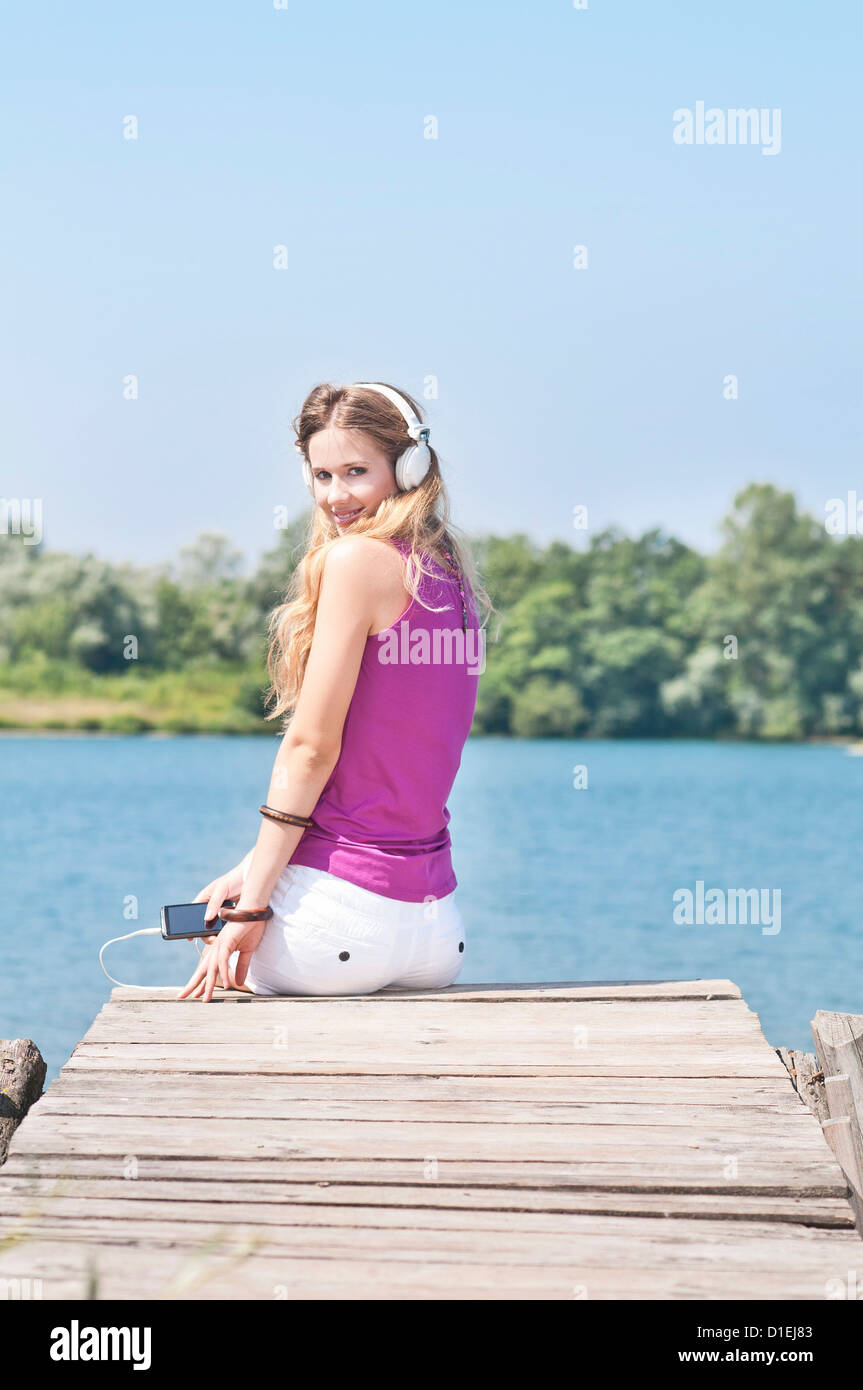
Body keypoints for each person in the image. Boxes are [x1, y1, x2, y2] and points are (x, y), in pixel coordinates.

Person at [178, 380, 491, 1003]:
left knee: (212, 941)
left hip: (339, 933)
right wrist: (252, 870)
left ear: (409, 467)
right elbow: (386, 762)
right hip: (437, 936)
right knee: (230, 904)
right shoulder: (450, 569)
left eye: (356, 471)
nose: (336, 496)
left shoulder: (355, 561)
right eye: (322, 475)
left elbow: (310, 751)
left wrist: (253, 908)